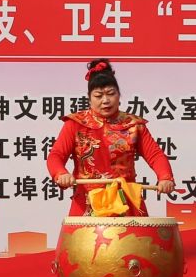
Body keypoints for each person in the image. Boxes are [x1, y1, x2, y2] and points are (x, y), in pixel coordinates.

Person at [45, 59, 176, 215]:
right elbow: (56, 155)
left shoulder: (133, 124)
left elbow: (155, 155)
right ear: (89, 98)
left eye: (111, 94)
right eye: (98, 96)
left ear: (119, 95)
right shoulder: (75, 124)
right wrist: (61, 173)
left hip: (126, 200)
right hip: (88, 201)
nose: (105, 100)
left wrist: (165, 177)